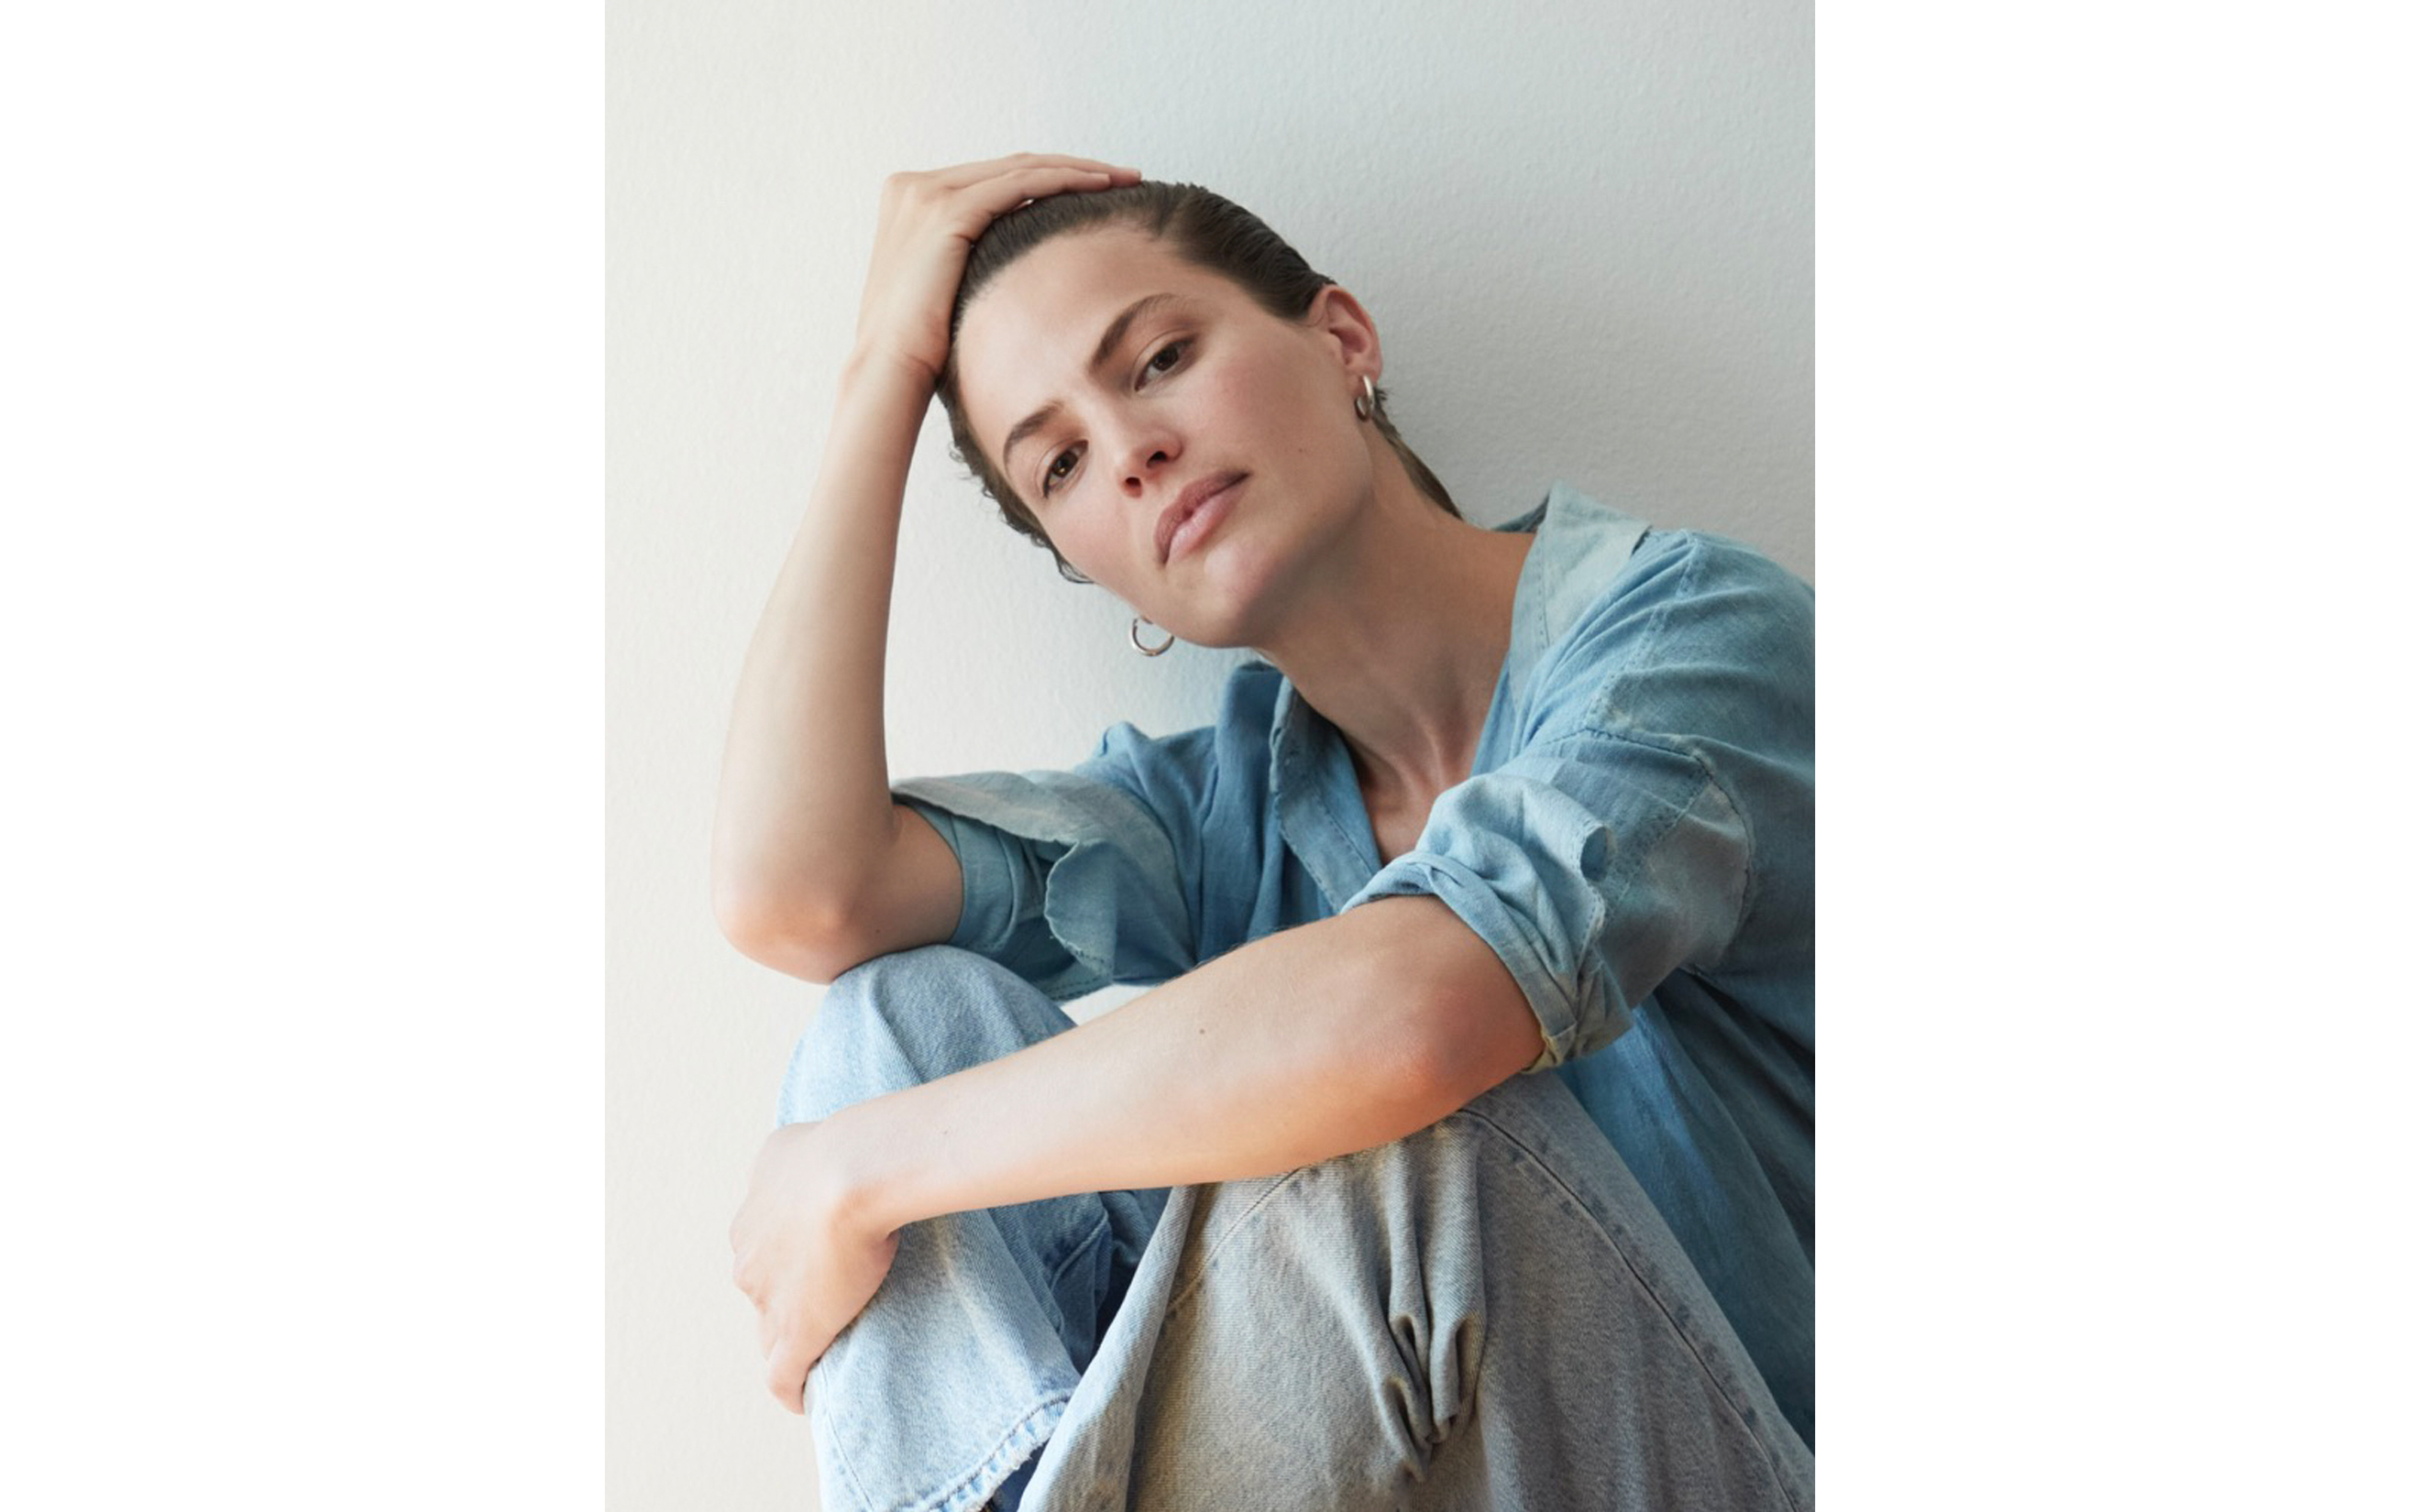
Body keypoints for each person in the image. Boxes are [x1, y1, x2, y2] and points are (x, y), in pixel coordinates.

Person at [713, 153, 1815, 1511]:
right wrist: (879, 372)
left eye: (1162, 357)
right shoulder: (1225, 805)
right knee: (891, 1026)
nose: (1130, 452)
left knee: (1404, 1129)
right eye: (1058, 463)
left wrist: (857, 1173)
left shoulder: (1691, 636)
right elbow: (798, 894)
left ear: (1342, 339)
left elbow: (1415, 1016)